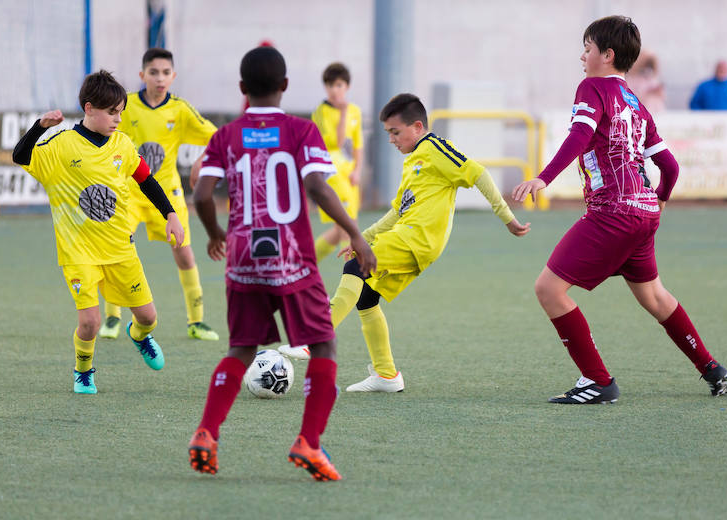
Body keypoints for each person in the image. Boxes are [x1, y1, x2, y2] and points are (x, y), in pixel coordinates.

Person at [512, 16, 727, 404]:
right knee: (655, 298)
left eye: (588, 48)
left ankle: (597, 381)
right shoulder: (635, 102)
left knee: (549, 289)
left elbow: (580, 135)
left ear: (607, 55)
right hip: (643, 213)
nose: (583, 56)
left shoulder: (592, 88)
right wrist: (659, 198)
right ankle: (712, 368)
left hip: (612, 212)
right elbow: (671, 167)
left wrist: (544, 178)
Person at [188, 46, 376, 481]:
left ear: (241, 90)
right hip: (292, 258)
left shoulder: (225, 135)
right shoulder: (300, 130)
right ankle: (309, 442)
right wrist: (354, 232)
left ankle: (206, 432)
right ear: (286, 86)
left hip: (242, 259)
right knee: (324, 346)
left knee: (241, 348)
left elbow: (200, 194)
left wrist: (216, 235)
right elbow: (317, 187)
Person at [293, 93, 530, 392]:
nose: (392, 139)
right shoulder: (413, 161)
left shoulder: (436, 148)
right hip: (407, 236)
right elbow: (396, 213)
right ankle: (387, 375)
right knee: (366, 298)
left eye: (395, 132)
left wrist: (507, 217)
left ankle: (315, 339)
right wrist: (362, 239)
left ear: (417, 127)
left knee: (356, 268)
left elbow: (478, 173)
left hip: (418, 239)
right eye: (388, 133)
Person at [12, 70, 184, 395]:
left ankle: (138, 335)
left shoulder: (123, 144)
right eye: (111, 112)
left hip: (120, 248)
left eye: (121, 112)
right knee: (90, 323)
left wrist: (171, 214)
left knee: (148, 317)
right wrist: (39, 128)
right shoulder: (62, 146)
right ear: (89, 108)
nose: (118, 119)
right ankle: (83, 371)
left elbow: (146, 180)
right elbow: (20, 156)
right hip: (78, 252)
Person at [98, 48, 219, 342]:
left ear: (173, 76)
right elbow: (104, 136)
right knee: (115, 250)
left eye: (166, 73)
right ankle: (112, 318)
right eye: (153, 72)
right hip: (128, 192)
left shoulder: (179, 110)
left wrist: (203, 160)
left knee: (184, 253)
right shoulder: (125, 106)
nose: (160, 78)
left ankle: (196, 321)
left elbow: (217, 136)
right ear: (142, 76)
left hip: (167, 192)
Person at [311, 62, 364, 262]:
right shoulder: (320, 112)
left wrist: (358, 169)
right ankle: (351, 276)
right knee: (349, 227)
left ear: (347, 87)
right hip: (332, 173)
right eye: (330, 85)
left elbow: (357, 143)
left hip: (349, 173)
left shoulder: (355, 111)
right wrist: (341, 114)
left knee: (341, 228)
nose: (335, 90)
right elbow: (337, 143)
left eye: (339, 85)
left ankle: (304, 264)